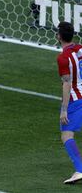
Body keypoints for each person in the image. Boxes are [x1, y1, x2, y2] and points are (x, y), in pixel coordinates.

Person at [56, 22, 82, 184]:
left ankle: (80, 169)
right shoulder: (80, 49)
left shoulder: (63, 58)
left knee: (66, 135)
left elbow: (66, 83)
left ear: (59, 36)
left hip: (75, 99)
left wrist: (64, 110)